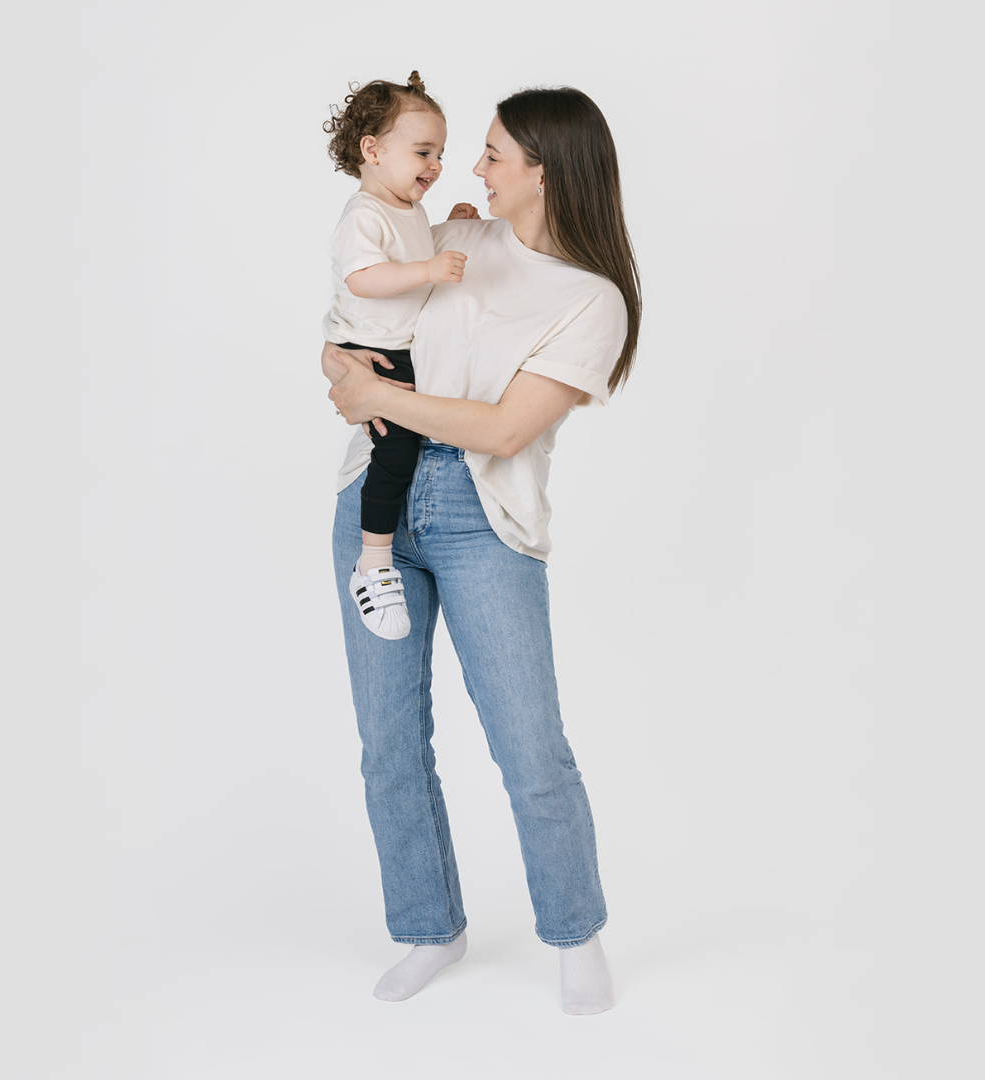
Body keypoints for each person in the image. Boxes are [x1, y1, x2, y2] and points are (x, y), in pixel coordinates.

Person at [324, 85, 641, 1015]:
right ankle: (430, 928)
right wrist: (342, 370)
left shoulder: (592, 302)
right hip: (372, 501)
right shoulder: (455, 239)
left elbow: (504, 432)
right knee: (388, 743)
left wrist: (377, 398)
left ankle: (575, 934)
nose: (471, 167)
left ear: (543, 169)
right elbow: (361, 326)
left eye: (494, 152)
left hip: (481, 519)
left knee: (529, 745)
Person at [322, 70, 474, 639]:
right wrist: (431, 268)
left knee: (400, 440)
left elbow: (407, 256)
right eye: (422, 152)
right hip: (373, 351)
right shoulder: (363, 213)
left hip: (392, 348)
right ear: (373, 150)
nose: (434, 165)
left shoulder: (404, 212)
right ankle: (375, 560)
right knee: (397, 450)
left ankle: (378, 555)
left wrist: (445, 233)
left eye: (439, 154)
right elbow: (366, 277)